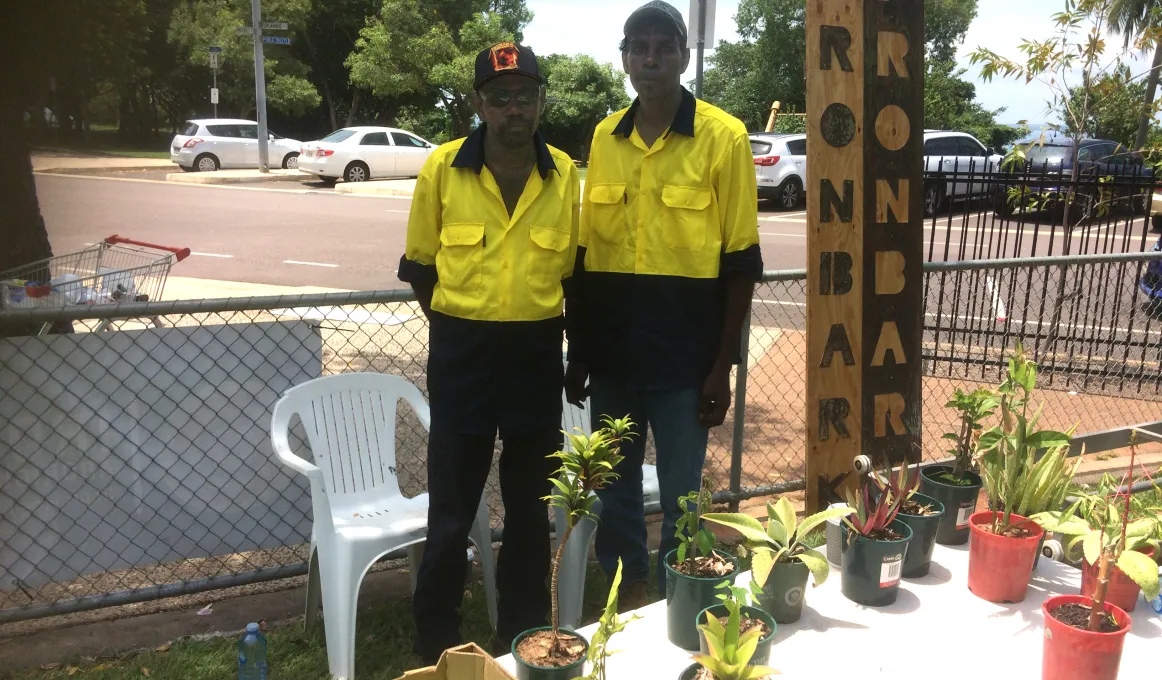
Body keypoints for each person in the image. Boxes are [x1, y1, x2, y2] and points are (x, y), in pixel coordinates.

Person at [565, 1, 762, 608]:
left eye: (664, 45)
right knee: (615, 485)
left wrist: (721, 365)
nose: (651, 57)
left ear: (683, 54)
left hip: (685, 360)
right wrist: (580, 353)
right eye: (639, 46)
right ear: (625, 58)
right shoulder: (605, 136)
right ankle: (628, 587)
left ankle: (679, 587)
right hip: (616, 357)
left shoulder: (723, 137)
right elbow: (586, 255)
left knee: (680, 489)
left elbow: (740, 264)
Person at [398, 42, 581, 663]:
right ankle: (436, 639)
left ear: (539, 102)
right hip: (463, 355)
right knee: (452, 510)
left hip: (534, 355)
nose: (512, 108)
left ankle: (524, 630)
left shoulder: (562, 175)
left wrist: (570, 351)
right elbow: (419, 267)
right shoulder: (442, 169)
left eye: (524, 96)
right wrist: (463, 321)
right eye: (499, 97)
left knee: (531, 508)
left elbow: (573, 274)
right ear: (479, 104)